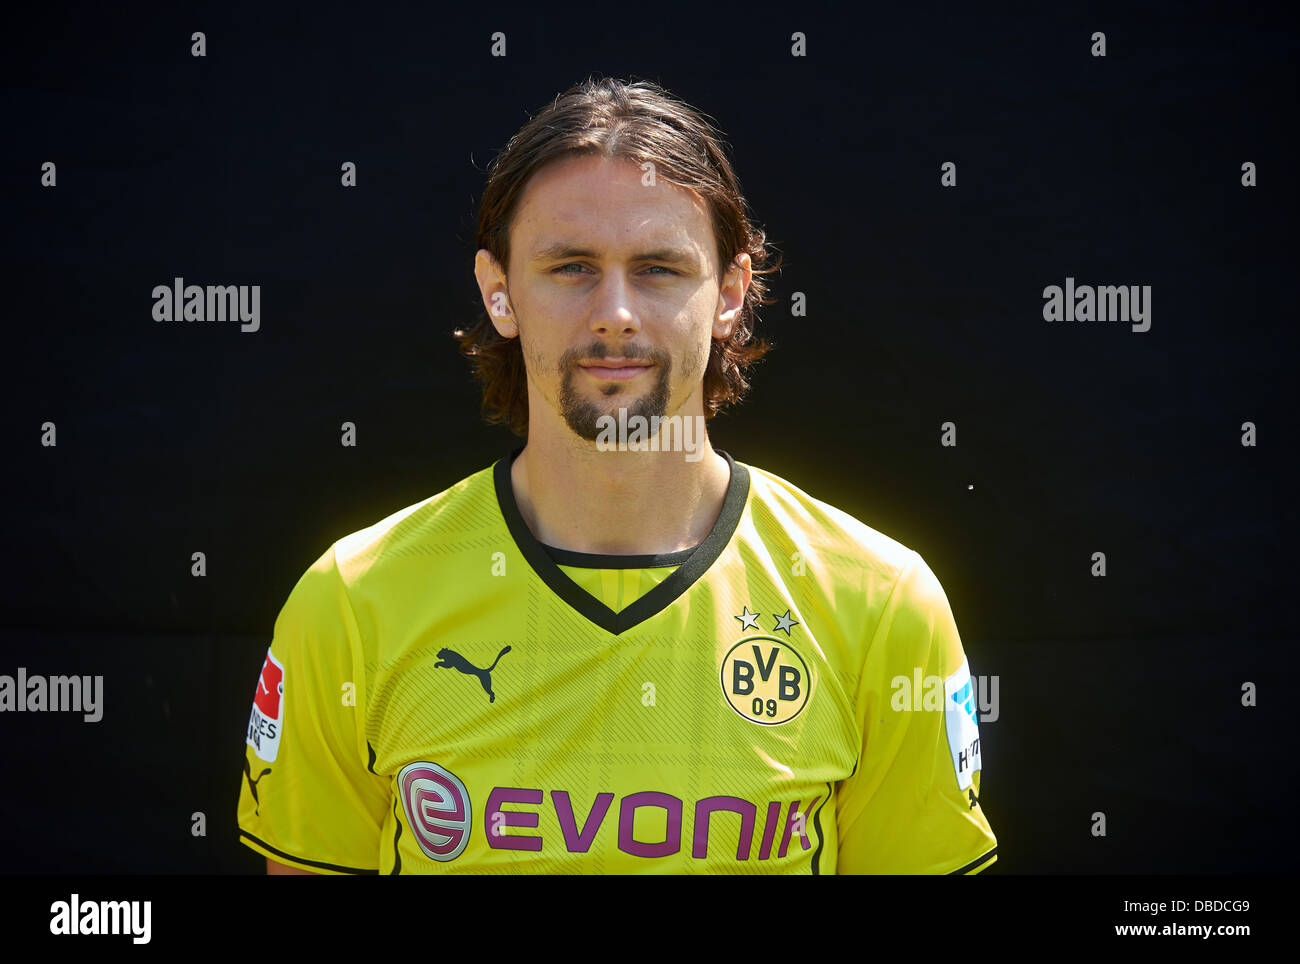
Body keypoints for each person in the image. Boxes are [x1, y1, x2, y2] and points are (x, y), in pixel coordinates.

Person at [237, 75, 997, 874]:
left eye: (660, 269)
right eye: (570, 266)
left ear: (731, 294)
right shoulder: (354, 602)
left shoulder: (879, 605)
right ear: (499, 292)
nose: (615, 312)